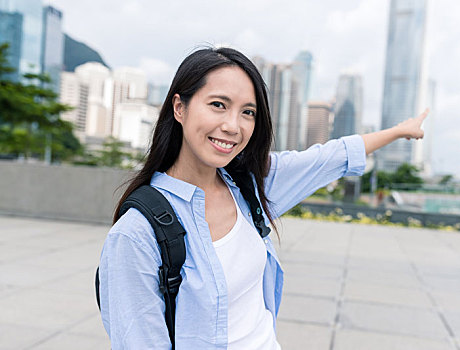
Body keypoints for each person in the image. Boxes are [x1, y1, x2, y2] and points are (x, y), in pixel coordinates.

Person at [98, 47, 427, 350]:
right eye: (218, 105)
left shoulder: (249, 184)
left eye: (248, 112)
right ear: (180, 107)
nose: (233, 126)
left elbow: (327, 157)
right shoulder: (136, 234)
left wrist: (398, 131)